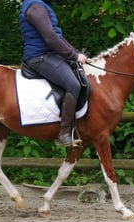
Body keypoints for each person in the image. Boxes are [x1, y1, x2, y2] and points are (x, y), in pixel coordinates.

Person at [19, 0, 87, 147]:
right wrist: (74, 56)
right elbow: (50, 38)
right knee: (73, 85)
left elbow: (57, 36)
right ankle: (64, 133)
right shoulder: (35, 7)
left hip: (49, 55)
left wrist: (74, 52)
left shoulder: (42, 6)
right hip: (39, 57)